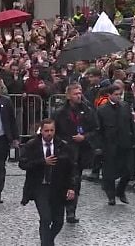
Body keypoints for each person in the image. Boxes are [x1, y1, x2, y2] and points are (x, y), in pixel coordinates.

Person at [19, 119, 76, 246]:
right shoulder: (32, 145)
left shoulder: (62, 145)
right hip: (40, 187)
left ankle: (47, 241)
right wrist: (42, 162)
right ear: (41, 130)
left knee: (58, 221)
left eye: (52, 130)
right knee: (46, 218)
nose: (49, 133)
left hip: (58, 187)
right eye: (46, 131)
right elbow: (22, 164)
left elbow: (71, 168)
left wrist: (71, 188)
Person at [52, 83, 98, 223]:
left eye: (80, 93)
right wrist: (62, 143)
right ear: (68, 96)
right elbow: (53, 131)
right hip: (64, 152)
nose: (79, 96)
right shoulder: (60, 113)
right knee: (62, 181)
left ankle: (71, 210)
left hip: (81, 151)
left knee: (76, 180)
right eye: (75, 93)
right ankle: (59, 207)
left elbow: (95, 129)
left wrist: (85, 137)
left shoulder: (87, 110)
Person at [97, 85, 135, 205]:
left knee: (128, 170)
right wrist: (99, 146)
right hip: (110, 144)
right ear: (109, 95)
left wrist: (133, 138)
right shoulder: (102, 110)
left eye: (120, 94)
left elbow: (131, 124)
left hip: (125, 143)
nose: (119, 97)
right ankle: (111, 195)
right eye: (116, 94)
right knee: (109, 172)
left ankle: (121, 190)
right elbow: (99, 129)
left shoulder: (125, 107)